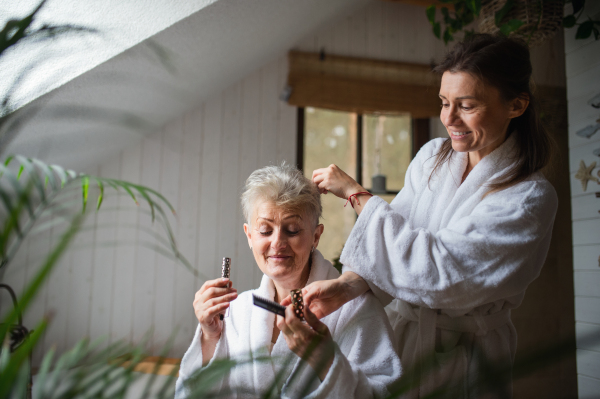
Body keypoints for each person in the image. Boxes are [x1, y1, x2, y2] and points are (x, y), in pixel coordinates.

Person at [288, 34, 558, 398]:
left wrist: (358, 196)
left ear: (516, 105)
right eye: (444, 102)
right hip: (404, 339)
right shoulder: (433, 157)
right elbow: (394, 239)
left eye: (467, 105)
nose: (449, 117)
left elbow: (440, 272)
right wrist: (346, 287)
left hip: (470, 356)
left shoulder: (528, 198)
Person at [175, 164, 402, 399]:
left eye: (292, 230)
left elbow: (385, 393)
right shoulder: (237, 311)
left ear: (316, 236)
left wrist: (326, 362)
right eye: (265, 230)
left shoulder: (357, 308)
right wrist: (210, 336)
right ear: (249, 236)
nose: (277, 243)